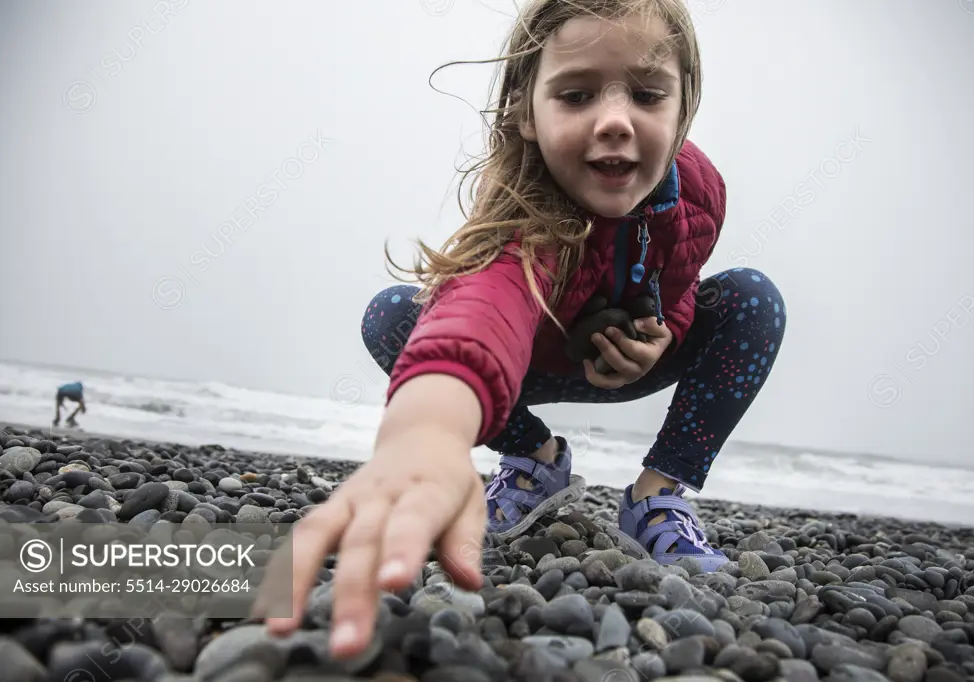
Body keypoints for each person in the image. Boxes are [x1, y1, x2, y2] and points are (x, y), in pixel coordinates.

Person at [262, 0, 787, 658]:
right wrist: (427, 433)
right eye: (576, 94)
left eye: (648, 95)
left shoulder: (700, 190)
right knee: (395, 313)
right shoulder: (525, 211)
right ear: (526, 114)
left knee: (751, 299)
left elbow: (681, 279)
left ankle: (659, 496)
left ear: (683, 110)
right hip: (516, 372)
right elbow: (480, 309)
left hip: (632, 362)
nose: (617, 120)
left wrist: (663, 336)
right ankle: (536, 462)